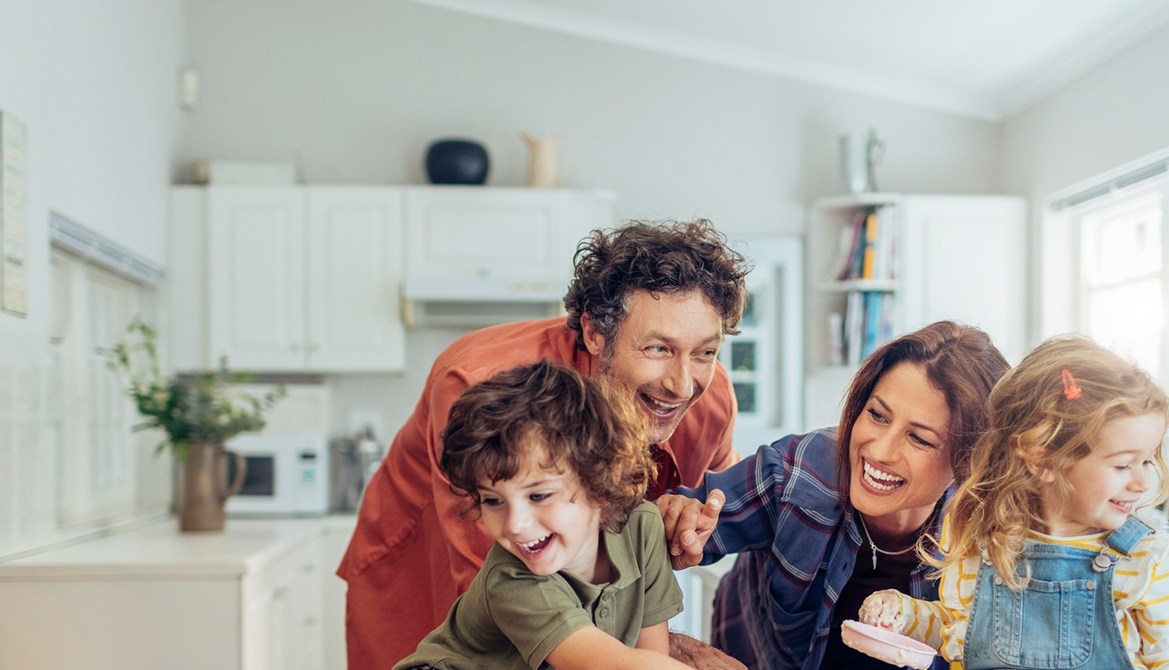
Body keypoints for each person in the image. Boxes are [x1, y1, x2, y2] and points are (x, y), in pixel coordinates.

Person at [340, 220, 750, 670]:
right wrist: (671, 651)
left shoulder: (709, 400)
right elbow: (510, 570)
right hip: (429, 577)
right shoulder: (483, 388)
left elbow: (693, 511)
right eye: (657, 348)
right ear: (595, 333)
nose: (681, 384)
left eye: (705, 352)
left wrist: (687, 519)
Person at [658, 321, 1010, 670]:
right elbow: (650, 539)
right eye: (876, 415)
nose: (880, 451)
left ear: (968, 460)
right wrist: (673, 644)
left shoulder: (988, 540)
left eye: (919, 439)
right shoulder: (798, 472)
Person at [856, 334, 1169, 670]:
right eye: (1123, 465)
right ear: (1042, 459)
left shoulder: (1144, 562)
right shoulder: (982, 543)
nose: (1142, 482)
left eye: (1148, 461)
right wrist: (905, 614)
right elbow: (956, 629)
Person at [395, 361, 691, 670]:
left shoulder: (642, 528)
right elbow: (612, 664)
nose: (515, 525)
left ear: (600, 481)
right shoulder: (511, 578)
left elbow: (654, 657)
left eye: (539, 496)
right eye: (493, 501)